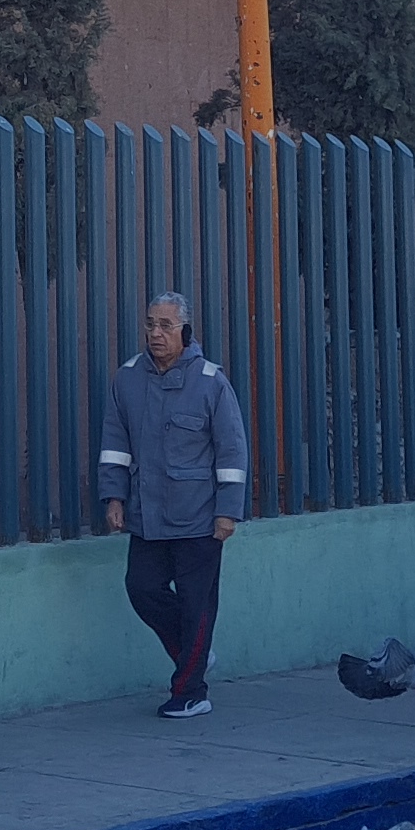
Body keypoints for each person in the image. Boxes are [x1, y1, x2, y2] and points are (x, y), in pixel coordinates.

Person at [97, 290, 247, 718]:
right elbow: (115, 443)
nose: (156, 333)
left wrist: (227, 511)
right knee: (142, 588)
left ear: (185, 330)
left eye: (165, 325)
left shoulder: (211, 382)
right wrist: (114, 496)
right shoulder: (128, 378)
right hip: (147, 516)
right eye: (150, 324)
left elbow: (232, 451)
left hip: (199, 517)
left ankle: (190, 692)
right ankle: (193, 653)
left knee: (198, 606)